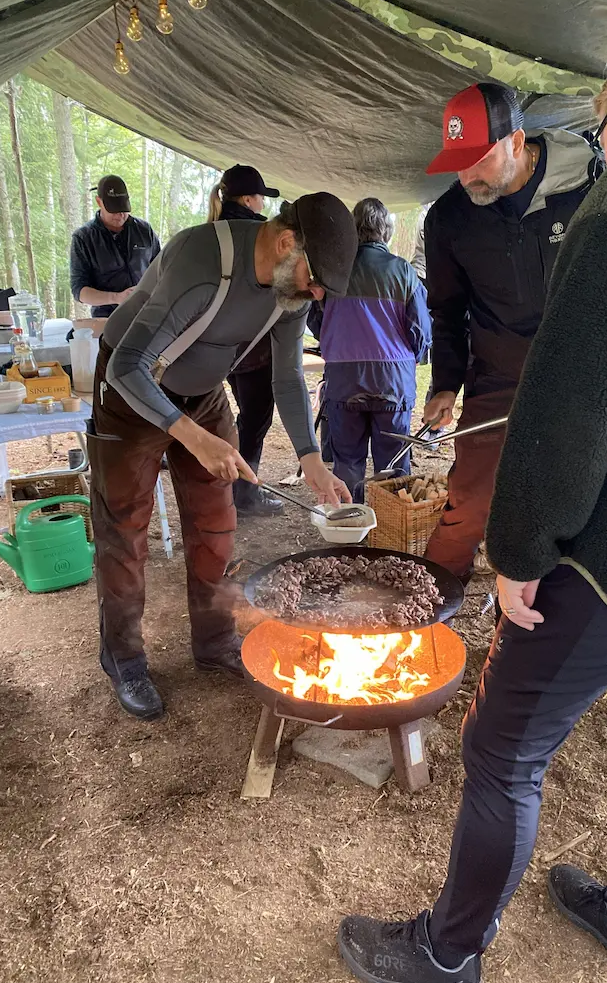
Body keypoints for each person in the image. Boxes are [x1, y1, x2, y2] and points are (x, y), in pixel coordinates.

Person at [337, 24, 607, 983]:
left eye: (603, 116)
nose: (599, 140)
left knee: (500, 747)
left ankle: (445, 952)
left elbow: (576, 403)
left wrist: (518, 547)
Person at [90, 193, 357, 720]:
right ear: (285, 243)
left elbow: (286, 375)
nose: (318, 291)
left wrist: (311, 458)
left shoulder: (289, 292)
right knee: (125, 530)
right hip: (131, 392)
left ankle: (213, 642)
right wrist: (190, 436)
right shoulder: (201, 262)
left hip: (205, 395)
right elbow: (127, 365)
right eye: (316, 277)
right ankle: (122, 656)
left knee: (216, 524)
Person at [422, 83, 596, 582]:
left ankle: (536, 616)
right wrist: (445, 385)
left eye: (477, 159)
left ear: (516, 142)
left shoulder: (588, 187)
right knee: (471, 500)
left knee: (569, 504)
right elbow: (447, 311)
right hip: (498, 377)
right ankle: (429, 612)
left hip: (579, 378)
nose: (466, 175)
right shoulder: (449, 219)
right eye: (457, 161)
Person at [315, 198, 431, 499]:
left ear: (353, 231)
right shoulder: (403, 272)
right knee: (393, 465)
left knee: (348, 461)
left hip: (343, 380)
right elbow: (421, 331)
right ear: (387, 232)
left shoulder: (334, 272)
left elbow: (318, 322)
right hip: (393, 382)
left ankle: (350, 528)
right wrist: (409, 360)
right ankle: (390, 530)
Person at [208, 164, 286, 518]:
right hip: (255, 346)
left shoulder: (212, 232)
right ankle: (244, 494)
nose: (260, 206)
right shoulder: (260, 234)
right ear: (249, 199)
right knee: (255, 419)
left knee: (246, 417)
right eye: (259, 199)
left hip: (224, 345)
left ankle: (236, 486)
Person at [70, 175, 160, 318]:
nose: (120, 215)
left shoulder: (144, 230)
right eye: (114, 210)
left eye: (124, 209)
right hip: (107, 319)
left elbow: (161, 270)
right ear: (99, 202)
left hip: (148, 314)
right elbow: (79, 290)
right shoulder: (83, 238)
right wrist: (117, 298)